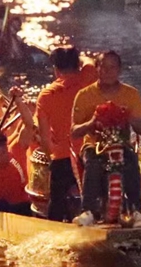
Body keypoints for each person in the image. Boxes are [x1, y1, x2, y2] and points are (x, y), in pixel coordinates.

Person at [71, 51, 141, 225]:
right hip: (94, 145)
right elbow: (74, 131)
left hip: (122, 145)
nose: (108, 71)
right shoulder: (84, 95)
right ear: (96, 69)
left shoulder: (131, 94)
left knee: (131, 161)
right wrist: (92, 122)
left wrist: (128, 115)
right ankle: (88, 210)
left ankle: (136, 210)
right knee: (94, 161)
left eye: (112, 67)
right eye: (103, 67)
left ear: (119, 70)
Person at [34, 47, 98, 222]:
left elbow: (45, 139)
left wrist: (51, 158)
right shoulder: (88, 78)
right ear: (77, 65)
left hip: (62, 158)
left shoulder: (46, 95)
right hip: (92, 153)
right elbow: (90, 62)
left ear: (55, 70)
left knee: (56, 204)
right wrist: (82, 57)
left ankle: (56, 228)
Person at [0, 132, 32, 216]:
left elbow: (28, 128)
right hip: (0, 212)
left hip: (24, 206)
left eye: (4, 152)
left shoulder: (15, 150)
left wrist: (25, 118)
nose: (4, 157)